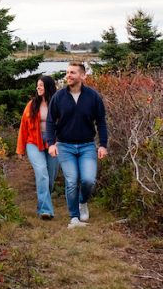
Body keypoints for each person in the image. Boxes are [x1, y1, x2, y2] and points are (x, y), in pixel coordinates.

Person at [46, 61, 108, 229]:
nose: (68, 75)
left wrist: (103, 145)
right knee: (72, 181)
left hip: (87, 146)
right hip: (65, 146)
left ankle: (82, 202)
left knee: (88, 180)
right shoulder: (58, 97)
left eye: (72, 72)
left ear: (82, 76)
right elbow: (51, 122)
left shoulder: (93, 97)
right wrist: (51, 144)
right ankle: (74, 217)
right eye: (67, 72)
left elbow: (101, 122)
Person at [16, 75, 60, 220]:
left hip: (54, 143)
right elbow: (23, 127)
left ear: (48, 86)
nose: (38, 87)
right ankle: (46, 210)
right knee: (42, 173)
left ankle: (42, 204)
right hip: (33, 142)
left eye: (41, 85)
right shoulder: (32, 105)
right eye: (37, 85)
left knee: (50, 177)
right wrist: (20, 149)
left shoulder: (58, 103)